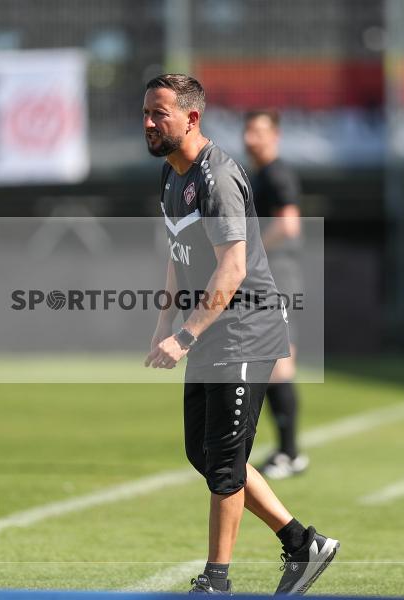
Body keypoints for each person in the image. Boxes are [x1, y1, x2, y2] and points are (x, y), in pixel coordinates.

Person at [142, 74, 338, 596]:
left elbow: (230, 268)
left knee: (224, 461)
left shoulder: (218, 177)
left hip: (245, 330)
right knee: (203, 454)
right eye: (146, 113)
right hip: (209, 332)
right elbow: (178, 254)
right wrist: (165, 321)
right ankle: (302, 544)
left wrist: (184, 335)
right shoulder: (170, 174)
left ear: (191, 118)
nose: (149, 122)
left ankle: (216, 579)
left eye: (159, 113)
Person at [242, 109, 309, 479]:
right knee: (271, 366)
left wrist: (249, 250)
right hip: (268, 278)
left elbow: (289, 225)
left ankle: (289, 453)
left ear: (276, 136)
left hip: (278, 277)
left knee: (279, 366)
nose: (252, 137)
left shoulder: (277, 174)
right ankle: (287, 451)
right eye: (248, 130)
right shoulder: (258, 174)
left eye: (260, 131)